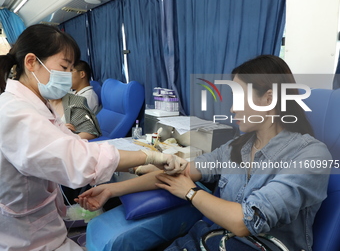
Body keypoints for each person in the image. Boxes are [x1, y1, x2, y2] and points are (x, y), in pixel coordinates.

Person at [77, 55, 331, 251]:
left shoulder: (310, 155)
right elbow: (178, 173)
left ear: (267, 99)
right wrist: (112, 190)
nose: (231, 108)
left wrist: (191, 192)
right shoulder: (237, 147)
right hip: (213, 239)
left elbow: (245, 222)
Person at [0, 24, 187, 251]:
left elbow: (73, 144)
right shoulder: (15, 113)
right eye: (63, 67)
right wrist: (148, 156)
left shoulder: (38, 106)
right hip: (27, 237)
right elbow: (76, 158)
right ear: (31, 63)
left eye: (71, 69)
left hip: (39, 225)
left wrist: (126, 174)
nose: (68, 77)